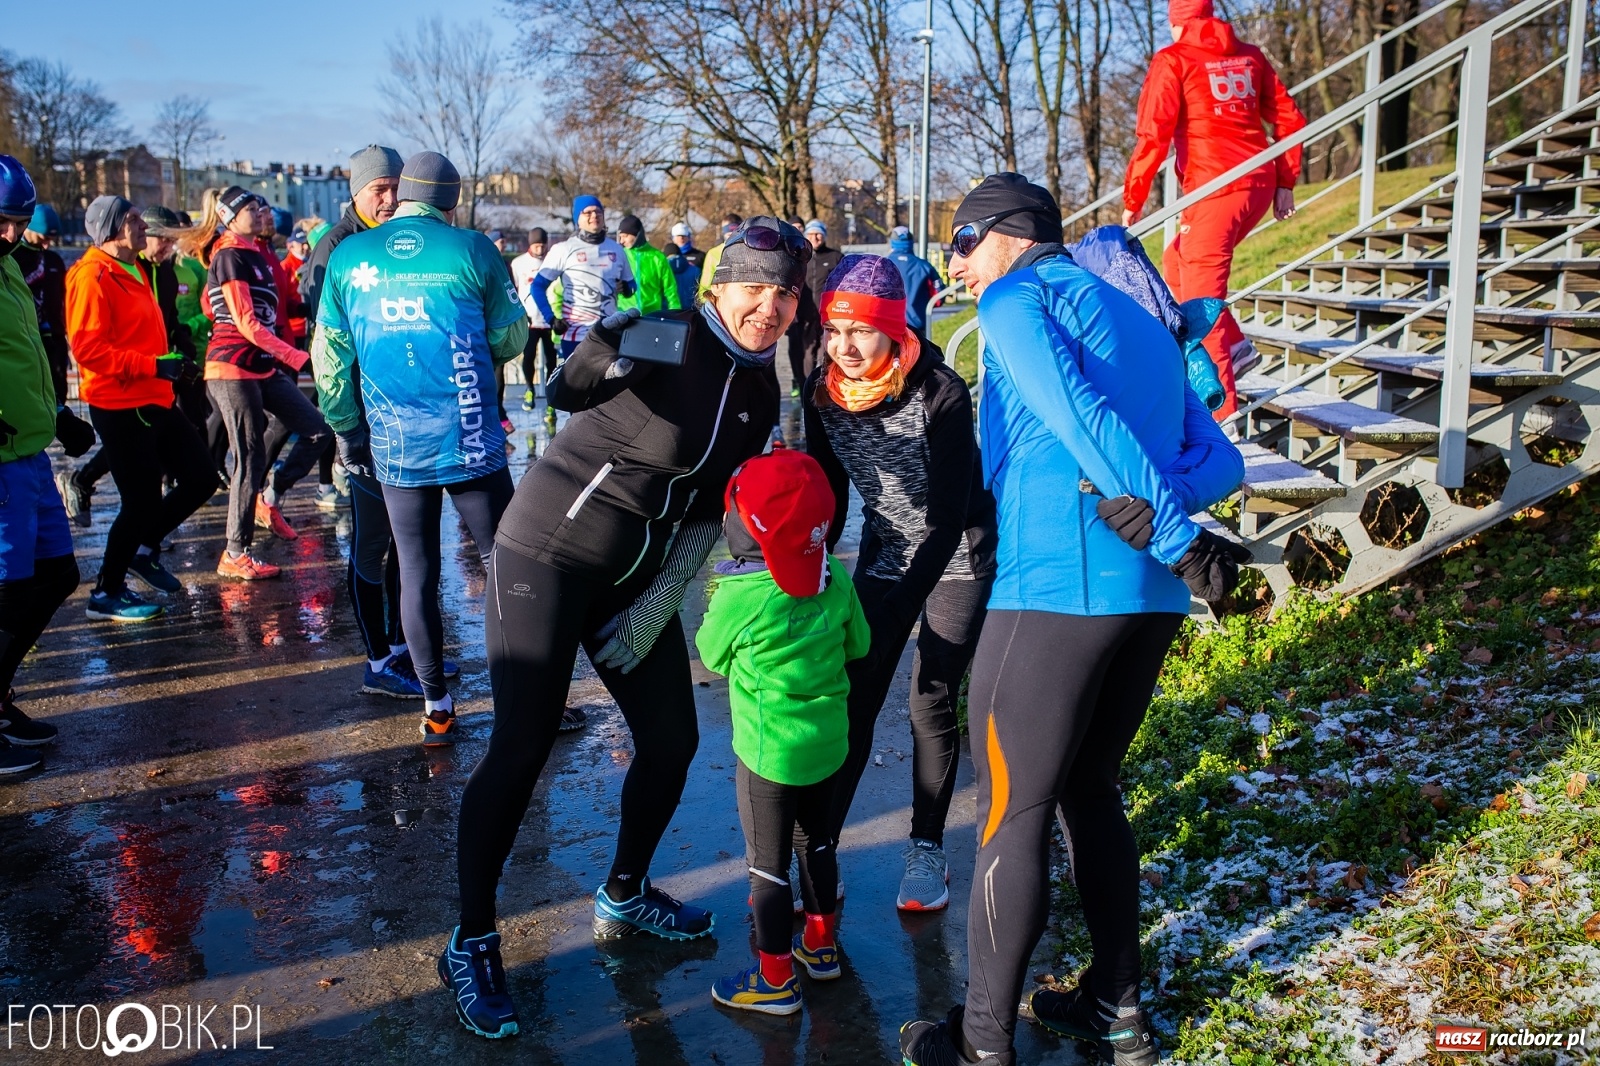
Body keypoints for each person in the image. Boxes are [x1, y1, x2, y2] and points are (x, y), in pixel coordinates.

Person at [897, 173, 1247, 1066]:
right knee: (1091, 791)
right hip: (1146, 602)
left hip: (1054, 590)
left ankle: (980, 1045)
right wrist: (1164, 516)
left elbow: (1078, 415)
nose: (956, 266)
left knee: (1011, 815)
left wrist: (1169, 532)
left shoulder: (1017, 301)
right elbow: (1220, 460)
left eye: (963, 243)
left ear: (1011, 233)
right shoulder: (1142, 319)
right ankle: (1115, 1011)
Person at [439, 217, 803, 1041]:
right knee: (523, 744)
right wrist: (603, 343)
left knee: (673, 742)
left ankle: (626, 891)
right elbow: (568, 390)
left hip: (631, 577)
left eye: (784, 293)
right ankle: (472, 940)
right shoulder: (670, 334)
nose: (769, 307)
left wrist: (653, 607)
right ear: (719, 288)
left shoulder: (759, 390)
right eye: (754, 288)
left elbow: (708, 514)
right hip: (546, 554)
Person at [802, 253, 995, 912]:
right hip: (887, 549)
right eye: (834, 331)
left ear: (891, 329)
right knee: (853, 695)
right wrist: (808, 566)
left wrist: (898, 612)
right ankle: (821, 846)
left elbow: (947, 519)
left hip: (958, 552)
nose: (845, 347)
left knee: (928, 697)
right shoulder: (822, 391)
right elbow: (830, 496)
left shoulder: (941, 392)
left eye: (861, 330)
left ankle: (926, 848)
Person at [314, 152, 527, 740]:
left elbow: (329, 358)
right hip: (470, 436)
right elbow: (511, 338)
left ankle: (436, 705)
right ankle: (524, 700)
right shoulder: (472, 248)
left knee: (415, 571)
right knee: (504, 566)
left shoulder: (349, 256)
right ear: (450, 202)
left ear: (404, 193)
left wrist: (347, 428)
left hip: (394, 442)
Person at [696, 448, 870, 1016]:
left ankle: (774, 981)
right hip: (829, 744)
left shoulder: (741, 596)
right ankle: (820, 949)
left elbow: (710, 655)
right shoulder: (834, 576)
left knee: (766, 868)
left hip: (769, 754)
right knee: (816, 845)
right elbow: (860, 645)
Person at [1121, 0, 1306, 418]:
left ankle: (1223, 418)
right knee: (1175, 260)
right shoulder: (1249, 56)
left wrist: (1134, 199)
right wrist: (1284, 181)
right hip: (1257, 183)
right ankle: (1237, 347)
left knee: (1202, 301)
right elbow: (1290, 120)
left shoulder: (1174, 59)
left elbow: (1153, 135)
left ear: (1177, 23)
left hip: (1215, 189)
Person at [63, 196, 218, 621]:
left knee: (202, 478)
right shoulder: (92, 274)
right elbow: (88, 350)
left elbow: (147, 333)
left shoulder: (136, 268)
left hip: (154, 397)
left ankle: (143, 550)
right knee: (141, 502)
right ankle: (105, 593)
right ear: (111, 229)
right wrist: (153, 366)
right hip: (119, 403)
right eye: (133, 218)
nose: (143, 225)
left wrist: (173, 361)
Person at [187, 185, 329, 580]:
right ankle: (235, 552)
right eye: (251, 207)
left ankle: (270, 496)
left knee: (318, 429)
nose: (260, 212)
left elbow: (252, 308)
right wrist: (298, 357)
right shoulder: (230, 255)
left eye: (260, 206)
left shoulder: (257, 254)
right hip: (232, 368)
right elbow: (246, 322)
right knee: (249, 458)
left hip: (262, 366)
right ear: (230, 218)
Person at [0, 155, 77, 773]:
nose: (12, 233)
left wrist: (58, 413)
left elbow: (24, 354)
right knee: (7, 592)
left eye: (19, 222)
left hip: (29, 453)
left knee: (56, 576)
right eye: (1, 221)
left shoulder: (8, 265)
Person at [529, 194, 636, 359]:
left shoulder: (617, 250)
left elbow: (632, 286)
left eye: (598, 211)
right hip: (575, 336)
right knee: (574, 378)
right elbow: (537, 286)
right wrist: (551, 319)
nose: (594, 216)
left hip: (609, 334)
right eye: (588, 212)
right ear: (577, 219)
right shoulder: (563, 249)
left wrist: (626, 288)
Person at [12, 203, 69, 405]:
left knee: (57, 390)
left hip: (54, 339)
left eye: (50, 240)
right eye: (42, 238)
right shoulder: (13, 258)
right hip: (26, 339)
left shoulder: (54, 260)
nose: (46, 245)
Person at [791, 220, 843, 396]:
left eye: (818, 233)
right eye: (811, 234)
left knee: (825, 353)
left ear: (824, 235)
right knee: (807, 354)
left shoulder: (835, 257)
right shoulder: (800, 256)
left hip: (829, 315)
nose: (815, 237)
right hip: (805, 314)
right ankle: (807, 389)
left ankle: (824, 389)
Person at [510, 226, 556, 412]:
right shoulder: (518, 263)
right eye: (537, 245)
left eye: (543, 245)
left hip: (550, 319)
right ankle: (529, 389)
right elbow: (515, 289)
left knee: (551, 359)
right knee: (529, 356)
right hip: (529, 320)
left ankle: (551, 397)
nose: (540, 249)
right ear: (530, 245)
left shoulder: (553, 261)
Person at [615, 214, 681, 316]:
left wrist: (676, 315)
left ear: (637, 234)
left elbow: (670, 290)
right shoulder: (619, 256)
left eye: (625, 236)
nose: (622, 241)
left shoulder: (657, 257)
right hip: (625, 316)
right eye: (620, 237)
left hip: (651, 317)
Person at [886, 226, 942, 339]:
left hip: (889, 326)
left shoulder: (882, 265)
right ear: (911, 243)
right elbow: (939, 297)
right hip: (917, 327)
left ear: (892, 243)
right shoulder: (925, 266)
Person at [695, 213, 744, 300]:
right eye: (729, 235)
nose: (732, 238)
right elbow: (705, 288)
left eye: (736, 234)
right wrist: (710, 305)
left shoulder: (750, 252)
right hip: (721, 305)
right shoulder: (713, 254)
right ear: (723, 233)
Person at [666, 222, 703, 309]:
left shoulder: (700, 256)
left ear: (688, 237)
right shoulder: (665, 258)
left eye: (683, 236)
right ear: (673, 238)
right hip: (672, 306)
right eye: (678, 236)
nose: (681, 238)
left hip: (691, 306)